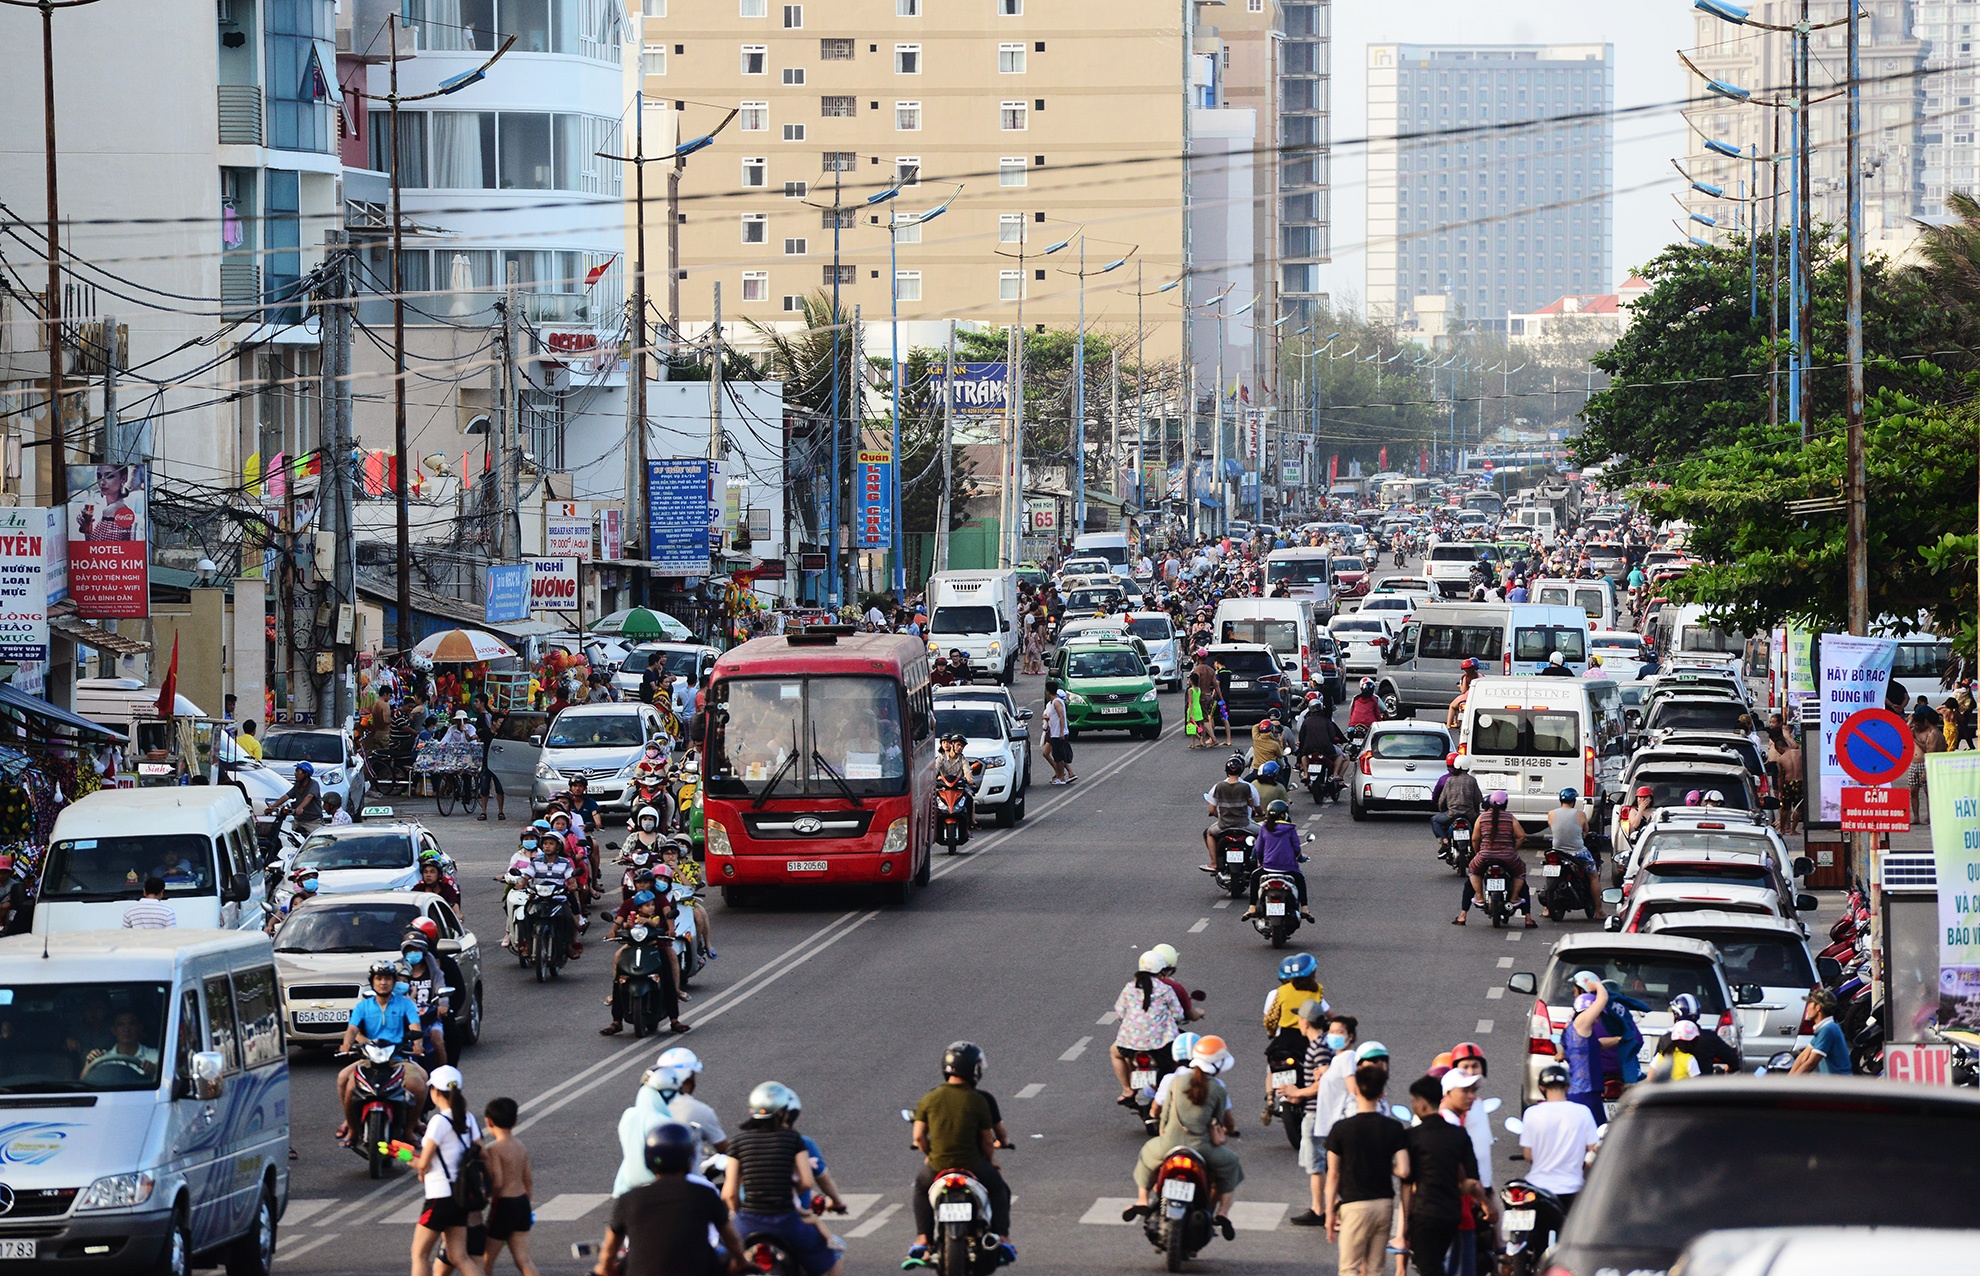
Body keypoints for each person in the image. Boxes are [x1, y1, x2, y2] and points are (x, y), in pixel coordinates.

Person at [904, 1042, 1013, 1267]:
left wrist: (930, 1154)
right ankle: (1002, 1238)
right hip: (973, 1165)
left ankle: (923, 1239)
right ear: (974, 1069)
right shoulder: (979, 1100)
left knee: (921, 1188)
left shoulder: (929, 1098)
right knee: (999, 1189)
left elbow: (919, 1137)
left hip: (937, 1167)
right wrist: (990, 1161)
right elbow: (988, 1139)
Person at [1125, 1036, 1242, 1239]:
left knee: (1146, 1154)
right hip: (1202, 1148)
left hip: (1169, 1144)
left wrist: (1164, 1135)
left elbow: (1164, 1116)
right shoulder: (1218, 1088)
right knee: (1232, 1165)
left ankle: (1142, 1199)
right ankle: (1222, 1213)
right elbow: (1220, 1121)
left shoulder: (1176, 1081)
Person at [594, 1122, 743, 1276]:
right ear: (689, 1159)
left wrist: (604, 1268)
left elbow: (609, 1249)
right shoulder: (705, 1194)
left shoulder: (629, 1199)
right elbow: (731, 1240)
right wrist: (742, 1262)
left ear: (648, 1159)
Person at [726, 1083, 842, 1276]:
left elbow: (729, 1194)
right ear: (782, 1113)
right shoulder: (793, 1139)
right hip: (787, 1222)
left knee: (722, 1261)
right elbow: (807, 1182)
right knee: (831, 1259)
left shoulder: (737, 1143)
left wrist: (740, 1213)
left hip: (746, 1223)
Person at [1398, 1072, 1491, 1276]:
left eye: (1414, 1102)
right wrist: (1481, 1201)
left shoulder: (1412, 1136)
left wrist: (1404, 1227)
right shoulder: (1459, 1134)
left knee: (1430, 1268)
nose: (1413, 1107)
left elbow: (1407, 1183)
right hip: (1451, 1214)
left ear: (1422, 1103)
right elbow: (1472, 1181)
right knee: (1437, 1265)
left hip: (1424, 1215)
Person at [1323, 1060, 1409, 1276]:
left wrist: (1329, 1213)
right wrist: (1384, 1162)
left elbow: (1333, 1174)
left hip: (1354, 1206)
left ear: (1355, 1090)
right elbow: (1404, 1170)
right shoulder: (1394, 1128)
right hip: (1384, 1205)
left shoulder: (1341, 1129)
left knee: (1349, 1268)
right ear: (1382, 1093)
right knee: (1374, 1269)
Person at [336, 961, 430, 1143]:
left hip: (398, 1057)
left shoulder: (405, 1004)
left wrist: (417, 1043)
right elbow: (352, 1029)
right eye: (379, 978)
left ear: (394, 981)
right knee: (346, 1082)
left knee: (418, 1086)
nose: (383, 982)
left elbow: (415, 1026)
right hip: (370, 1057)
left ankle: (409, 1129)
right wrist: (346, 1044)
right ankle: (352, 1127)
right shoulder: (362, 1007)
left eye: (387, 978)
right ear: (372, 982)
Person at [410, 1067, 484, 1276]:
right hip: (461, 1196)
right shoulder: (468, 1118)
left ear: (435, 1091)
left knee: (419, 1253)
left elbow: (424, 1164)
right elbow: (482, 1152)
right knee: (459, 1256)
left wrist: (405, 1157)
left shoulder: (438, 1122)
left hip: (440, 1196)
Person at [1516, 1064, 1599, 1220]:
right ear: (1568, 1086)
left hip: (1538, 1187)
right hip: (1572, 1188)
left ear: (1542, 1087)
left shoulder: (1532, 1113)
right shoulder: (1582, 1112)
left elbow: (1528, 1154)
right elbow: (1594, 1147)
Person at [1111, 949, 1188, 1103]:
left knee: (1115, 1053)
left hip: (1130, 1044)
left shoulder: (1129, 988)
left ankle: (1127, 1090)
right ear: (1161, 971)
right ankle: (1178, 1093)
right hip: (1161, 1045)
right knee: (1180, 1059)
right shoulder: (1165, 989)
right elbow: (1178, 1015)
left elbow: (1120, 1012)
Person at [1460, 791, 1534, 927]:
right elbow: (1521, 836)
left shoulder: (1482, 818)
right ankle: (1524, 913)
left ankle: (1472, 905)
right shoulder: (1510, 817)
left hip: (1485, 856)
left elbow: (1475, 839)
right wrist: (1513, 849)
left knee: (1473, 871)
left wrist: (1478, 853)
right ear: (1506, 804)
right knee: (1520, 872)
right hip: (1508, 857)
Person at [1560, 973, 1618, 1126]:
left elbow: (1597, 1045)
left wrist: (1619, 1040)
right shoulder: (1582, 1022)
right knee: (1594, 1132)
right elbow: (1602, 999)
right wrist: (1596, 985)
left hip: (1586, 1091)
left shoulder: (1578, 1031)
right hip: (1585, 1091)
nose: (1598, 1019)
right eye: (1598, 1015)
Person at [1243, 799, 1313, 922]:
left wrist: (1262, 863)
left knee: (1254, 877)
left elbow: (1259, 849)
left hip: (1268, 867)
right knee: (1300, 879)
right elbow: (1296, 849)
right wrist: (1300, 858)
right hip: (1288, 868)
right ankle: (1305, 908)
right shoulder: (1290, 828)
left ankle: (1252, 907)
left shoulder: (1265, 827)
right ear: (1282, 815)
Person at [1202, 755, 1261, 867]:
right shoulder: (1247, 787)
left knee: (1209, 833)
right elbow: (1253, 806)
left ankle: (1214, 863)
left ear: (1226, 771)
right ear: (1241, 770)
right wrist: (1260, 813)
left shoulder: (1218, 786)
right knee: (1265, 833)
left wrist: (1221, 816)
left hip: (1223, 825)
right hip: (1245, 824)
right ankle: (1263, 863)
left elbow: (1211, 810)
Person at [1666, 994, 1741, 1075]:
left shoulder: (1665, 1039)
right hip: (1704, 1083)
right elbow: (1734, 1061)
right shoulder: (1710, 1038)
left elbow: (1658, 1067)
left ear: (1676, 1015)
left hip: (1671, 1083)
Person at [1546, 788, 1595, 899]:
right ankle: (1598, 908)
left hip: (1557, 852)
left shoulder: (1551, 814)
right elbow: (1585, 831)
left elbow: (1552, 827)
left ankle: (1547, 907)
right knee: (1593, 877)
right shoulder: (1580, 814)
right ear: (1574, 801)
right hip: (1577, 853)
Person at [1790, 988, 1852, 1075]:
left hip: (1838, 1082)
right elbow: (1804, 1056)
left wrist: (1791, 1081)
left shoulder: (1828, 1029)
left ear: (1818, 1007)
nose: (1807, 1008)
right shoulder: (1823, 1028)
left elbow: (1811, 1063)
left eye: (1810, 1003)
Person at [1429, 756, 1482, 850]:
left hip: (1451, 814)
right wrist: (1475, 811)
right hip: (1470, 815)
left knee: (1434, 820)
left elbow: (1442, 800)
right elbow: (1478, 799)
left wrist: (1443, 810)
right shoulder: (1472, 780)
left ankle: (1445, 841)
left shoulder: (1450, 780)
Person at [1041, 683, 1076, 784]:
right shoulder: (1053, 702)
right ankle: (1061, 776)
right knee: (1057, 756)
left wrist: (1061, 732)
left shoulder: (1057, 702)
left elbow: (1062, 716)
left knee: (1058, 757)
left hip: (1058, 733)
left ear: (1048, 691)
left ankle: (1061, 778)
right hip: (1054, 733)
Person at [276, 759, 324, 832]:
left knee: (316, 837)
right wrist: (273, 806)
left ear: (306, 774)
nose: (295, 774)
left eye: (298, 772)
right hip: (298, 821)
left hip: (312, 822)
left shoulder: (314, 784)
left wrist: (300, 807)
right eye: (296, 771)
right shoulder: (298, 785)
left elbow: (309, 796)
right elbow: (286, 796)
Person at [1444, 659, 1481, 730]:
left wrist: (1460, 686)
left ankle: (1448, 725)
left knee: (1452, 706)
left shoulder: (1465, 677)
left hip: (1467, 696)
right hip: (1477, 696)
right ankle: (1457, 722)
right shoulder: (1480, 676)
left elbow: (1463, 690)